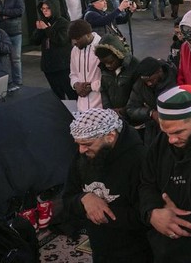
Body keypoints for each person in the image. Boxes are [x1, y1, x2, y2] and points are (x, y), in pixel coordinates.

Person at [63, 108, 152, 263]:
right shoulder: (84, 155)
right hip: (99, 247)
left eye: (87, 144)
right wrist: (84, 198)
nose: (81, 150)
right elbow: (68, 198)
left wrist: (102, 213)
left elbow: (147, 215)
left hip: (135, 251)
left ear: (110, 136)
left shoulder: (139, 160)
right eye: (78, 144)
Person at [30, 0, 76, 100]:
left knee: (70, 92)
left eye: (48, 8)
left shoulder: (64, 23)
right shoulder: (43, 22)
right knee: (57, 94)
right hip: (48, 65)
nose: (45, 11)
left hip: (62, 65)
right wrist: (39, 30)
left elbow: (61, 40)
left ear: (54, 9)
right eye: (43, 9)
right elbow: (34, 41)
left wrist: (47, 29)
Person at [126, 57, 177, 145]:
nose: (149, 84)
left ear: (159, 71)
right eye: (145, 81)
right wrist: (150, 113)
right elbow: (130, 109)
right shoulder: (140, 85)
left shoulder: (175, 79)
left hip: (174, 127)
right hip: (152, 133)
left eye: (151, 80)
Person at [68, 19, 103, 111]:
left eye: (77, 38)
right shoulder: (74, 51)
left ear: (88, 34)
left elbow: (110, 78)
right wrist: (76, 85)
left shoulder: (102, 47)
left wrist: (92, 87)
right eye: (72, 39)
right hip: (81, 108)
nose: (74, 42)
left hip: (101, 107)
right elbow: (73, 73)